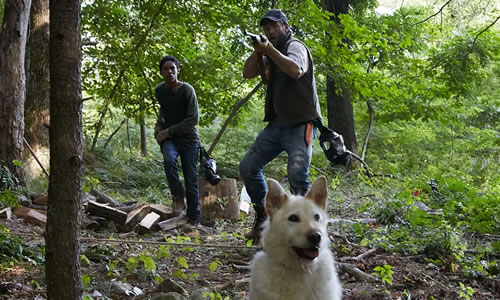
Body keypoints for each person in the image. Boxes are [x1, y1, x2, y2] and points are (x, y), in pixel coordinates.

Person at [240, 9, 322, 243]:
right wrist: (258, 51)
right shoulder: (268, 52)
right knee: (248, 167)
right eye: (266, 28)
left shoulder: (296, 46)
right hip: (276, 125)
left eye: (274, 26)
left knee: (297, 174)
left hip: (300, 124)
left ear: (286, 26)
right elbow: (248, 74)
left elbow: (296, 70)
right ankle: (265, 219)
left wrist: (269, 50)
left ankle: (308, 229)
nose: (270, 31)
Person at [154, 55, 201, 225]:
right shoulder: (159, 90)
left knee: (190, 177)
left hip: (188, 138)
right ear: (161, 72)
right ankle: (178, 195)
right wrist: (158, 128)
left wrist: (167, 132)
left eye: (172, 68)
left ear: (177, 70)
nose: (169, 71)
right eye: (165, 69)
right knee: (168, 161)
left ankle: (194, 218)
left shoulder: (187, 90)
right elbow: (163, 111)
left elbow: (193, 119)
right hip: (169, 139)